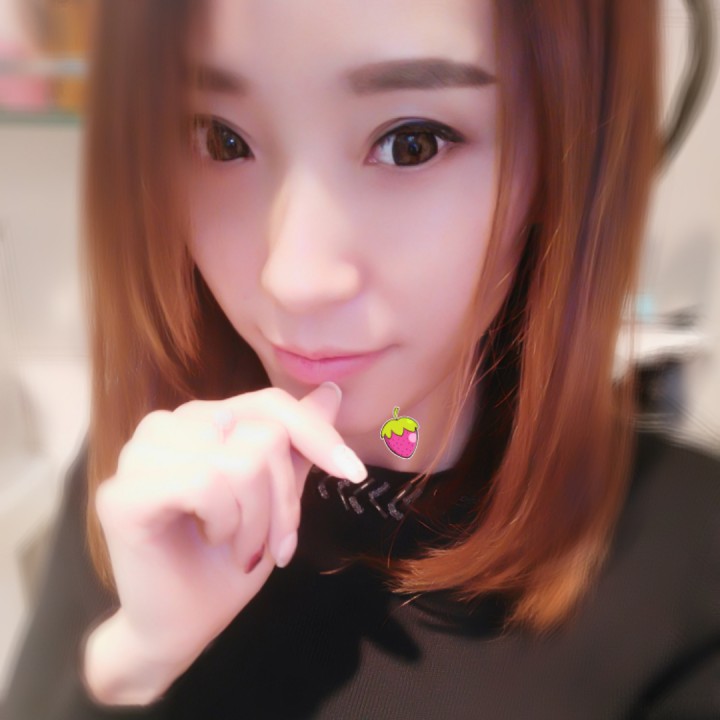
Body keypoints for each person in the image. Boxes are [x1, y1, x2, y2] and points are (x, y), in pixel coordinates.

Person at [5, 0, 720, 718]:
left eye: (412, 143)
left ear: (564, 152)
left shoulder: (691, 554)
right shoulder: (153, 475)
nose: (295, 278)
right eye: (220, 138)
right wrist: (132, 664)